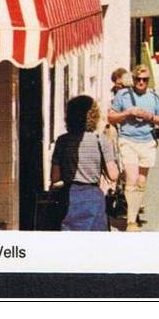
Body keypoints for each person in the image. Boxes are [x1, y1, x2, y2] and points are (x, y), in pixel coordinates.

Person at [108, 64, 159, 231]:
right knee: (132, 179)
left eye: (145, 80)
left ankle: (133, 212)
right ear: (133, 79)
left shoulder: (155, 97)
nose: (141, 82)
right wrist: (128, 113)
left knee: (141, 182)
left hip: (147, 141)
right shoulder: (123, 95)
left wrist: (148, 116)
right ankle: (131, 221)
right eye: (138, 79)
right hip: (128, 141)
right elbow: (111, 117)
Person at [50, 95, 119, 231]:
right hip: (93, 198)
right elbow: (113, 175)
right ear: (94, 116)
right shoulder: (101, 140)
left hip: (69, 198)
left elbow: (55, 177)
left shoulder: (62, 141)